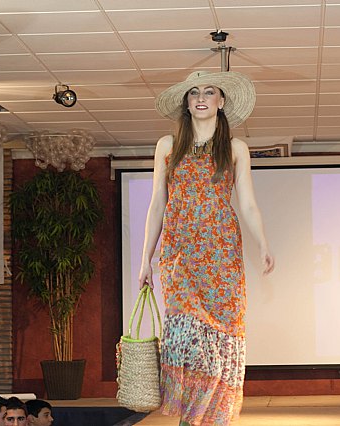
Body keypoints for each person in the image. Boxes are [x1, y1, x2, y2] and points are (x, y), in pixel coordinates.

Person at [140, 70, 274, 425]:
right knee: (187, 341)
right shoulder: (168, 145)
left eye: (209, 91)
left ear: (221, 101)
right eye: (194, 92)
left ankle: (209, 419)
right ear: (186, 103)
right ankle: (189, 418)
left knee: (218, 347)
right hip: (179, 254)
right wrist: (145, 260)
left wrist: (263, 243)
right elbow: (157, 203)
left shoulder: (235, 148)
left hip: (222, 254)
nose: (201, 97)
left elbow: (247, 203)